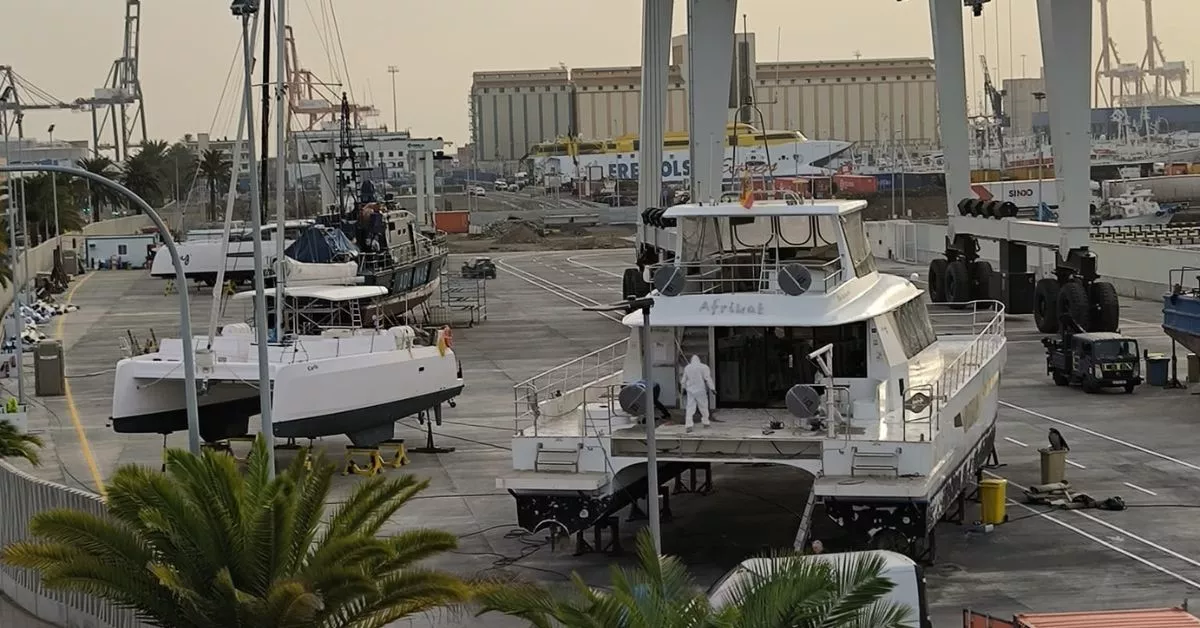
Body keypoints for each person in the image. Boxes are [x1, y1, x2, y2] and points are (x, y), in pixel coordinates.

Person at [680, 355, 714, 432]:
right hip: (700, 390)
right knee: (703, 406)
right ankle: (706, 422)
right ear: (699, 360)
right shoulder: (704, 367)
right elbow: (707, 378)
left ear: (691, 360)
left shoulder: (687, 367)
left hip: (690, 391)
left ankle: (688, 425)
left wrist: (683, 388)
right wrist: (712, 388)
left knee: (690, 407)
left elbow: (683, 380)